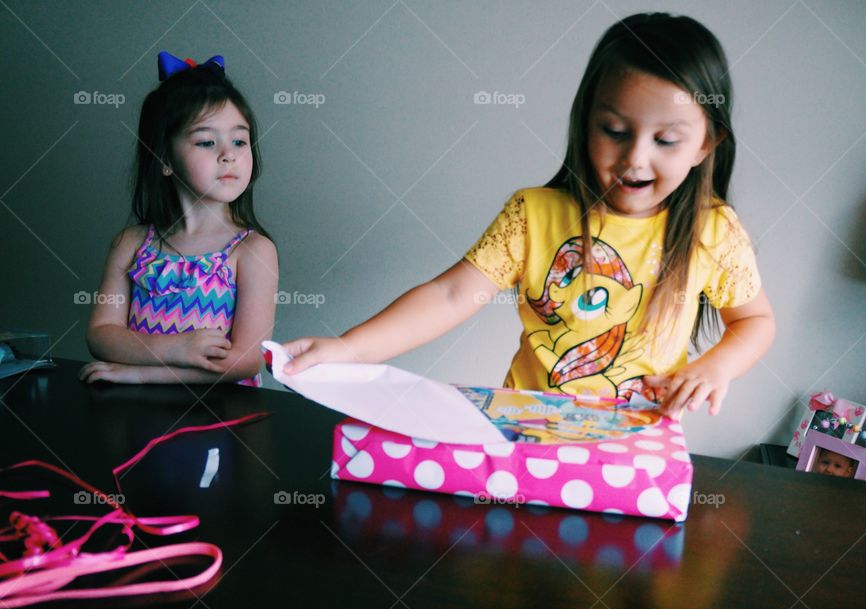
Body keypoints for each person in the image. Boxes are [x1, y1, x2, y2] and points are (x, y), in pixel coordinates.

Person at [283, 13, 775, 417]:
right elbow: (452, 294)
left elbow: (754, 321)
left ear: (706, 144)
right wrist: (349, 350)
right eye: (614, 130)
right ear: (585, 124)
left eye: (666, 140)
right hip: (525, 427)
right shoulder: (532, 214)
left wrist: (716, 368)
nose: (635, 159)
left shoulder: (714, 230)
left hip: (635, 445)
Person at [80, 52, 278, 385]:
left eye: (239, 140)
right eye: (206, 141)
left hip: (220, 416)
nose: (229, 153)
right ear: (164, 159)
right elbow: (100, 334)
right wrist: (175, 347)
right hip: (137, 410)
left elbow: (246, 361)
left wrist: (144, 375)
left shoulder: (254, 251)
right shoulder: (130, 243)